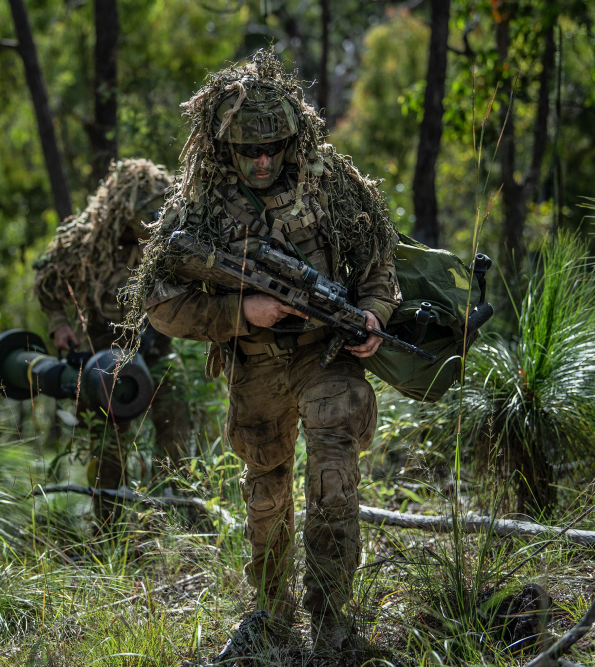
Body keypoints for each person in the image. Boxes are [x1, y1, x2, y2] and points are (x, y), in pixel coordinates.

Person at [122, 50, 399, 652]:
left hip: (326, 356)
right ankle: (273, 618)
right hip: (256, 363)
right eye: (249, 150)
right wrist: (240, 312)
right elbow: (160, 302)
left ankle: (331, 624)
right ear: (224, 147)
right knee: (267, 493)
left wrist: (373, 318)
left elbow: (380, 267)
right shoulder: (197, 204)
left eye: (273, 147)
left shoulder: (331, 184)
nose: (263, 161)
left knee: (333, 475)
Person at [33, 158, 189, 495]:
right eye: (145, 217)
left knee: (175, 431)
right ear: (123, 212)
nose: (153, 225)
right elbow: (46, 280)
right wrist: (59, 325)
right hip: (105, 360)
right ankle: (110, 531)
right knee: (108, 451)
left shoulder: (168, 242)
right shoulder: (86, 243)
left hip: (157, 350)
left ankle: (176, 518)